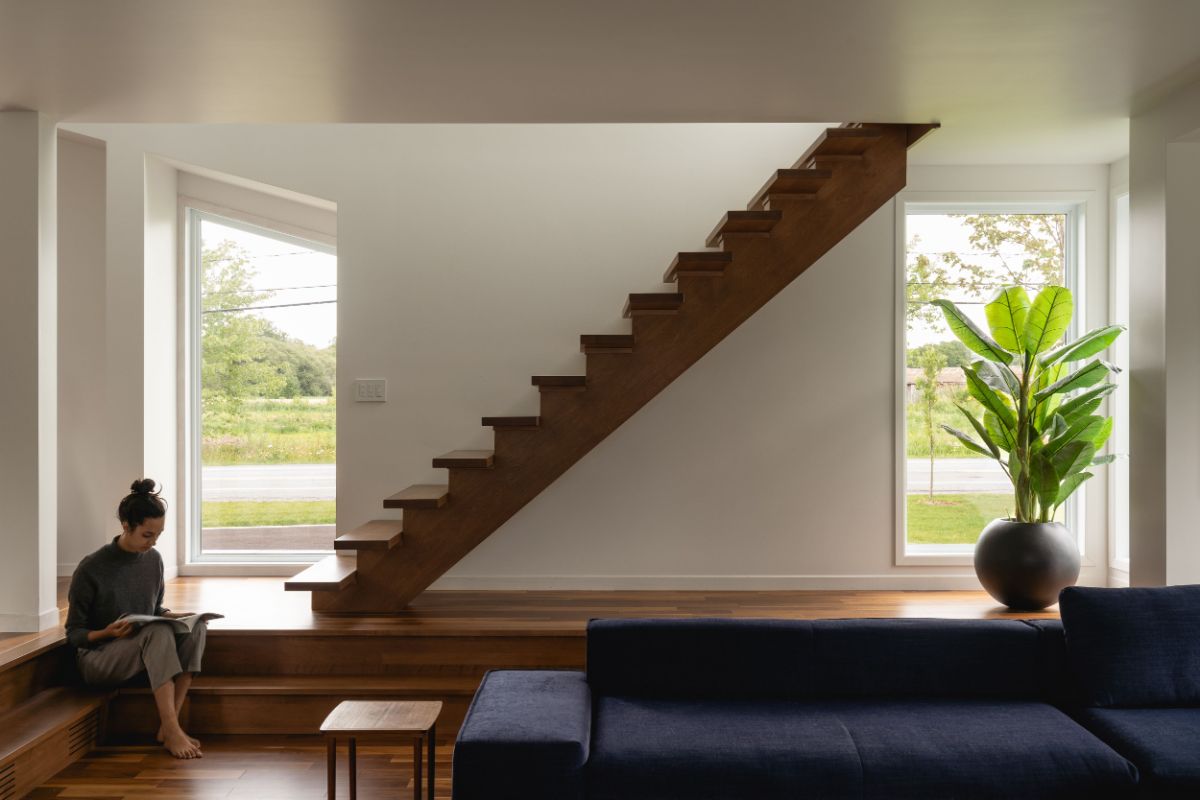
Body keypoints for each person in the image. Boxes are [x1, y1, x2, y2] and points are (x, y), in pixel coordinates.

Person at [65, 479, 206, 759]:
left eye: (158, 535)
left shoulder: (153, 559)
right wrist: (107, 633)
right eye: (147, 535)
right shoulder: (92, 568)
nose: (153, 542)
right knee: (160, 634)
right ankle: (171, 728)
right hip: (99, 657)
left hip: (141, 648)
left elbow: (153, 609)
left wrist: (174, 616)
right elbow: (74, 633)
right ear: (126, 527)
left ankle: (170, 725)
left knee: (197, 627)